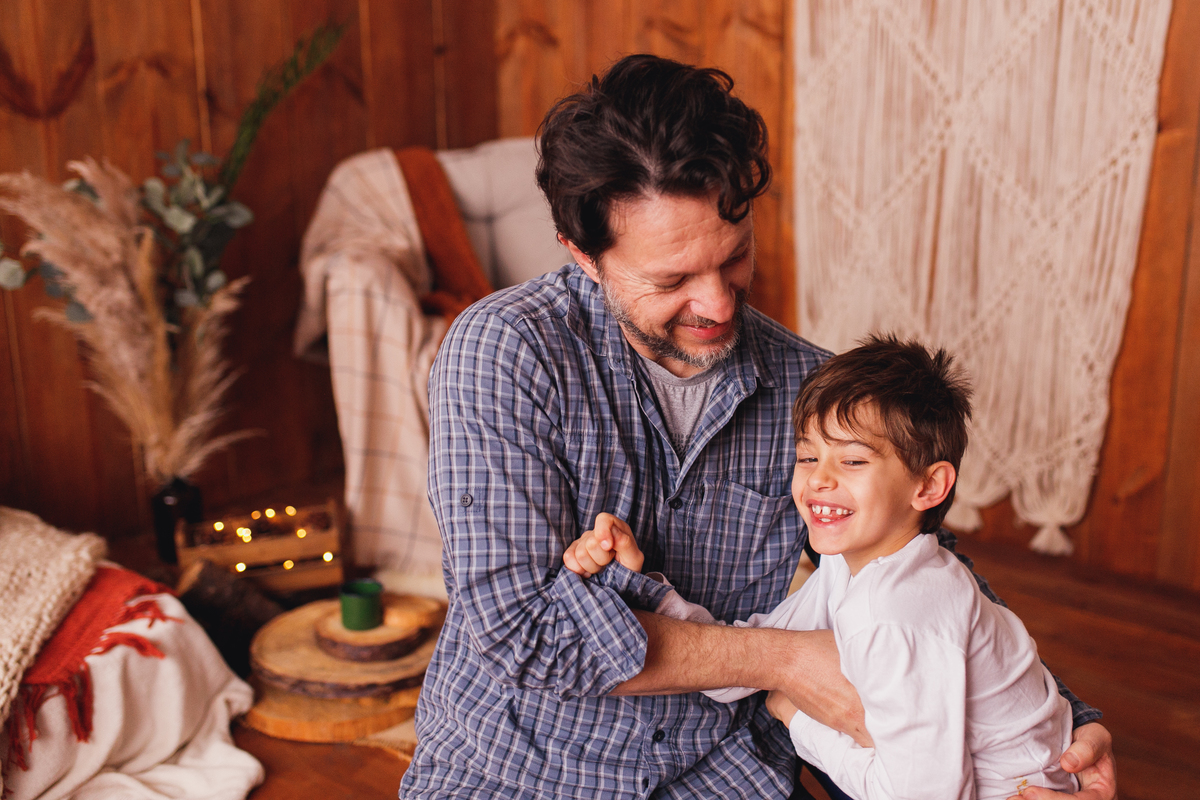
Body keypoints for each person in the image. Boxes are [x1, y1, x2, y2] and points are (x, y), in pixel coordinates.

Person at [398, 54, 1116, 800]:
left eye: (733, 256)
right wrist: (785, 660)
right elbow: (525, 634)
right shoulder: (505, 351)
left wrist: (1060, 722)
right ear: (584, 256)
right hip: (520, 768)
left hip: (720, 773)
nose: (717, 305)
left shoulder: (814, 386)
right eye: (671, 281)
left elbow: (918, 564)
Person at [563, 334, 1079, 799]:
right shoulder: (850, 567)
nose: (818, 480)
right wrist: (640, 581)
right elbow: (742, 660)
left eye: (852, 461)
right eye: (808, 457)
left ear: (928, 487)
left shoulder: (896, 613)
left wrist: (796, 718)